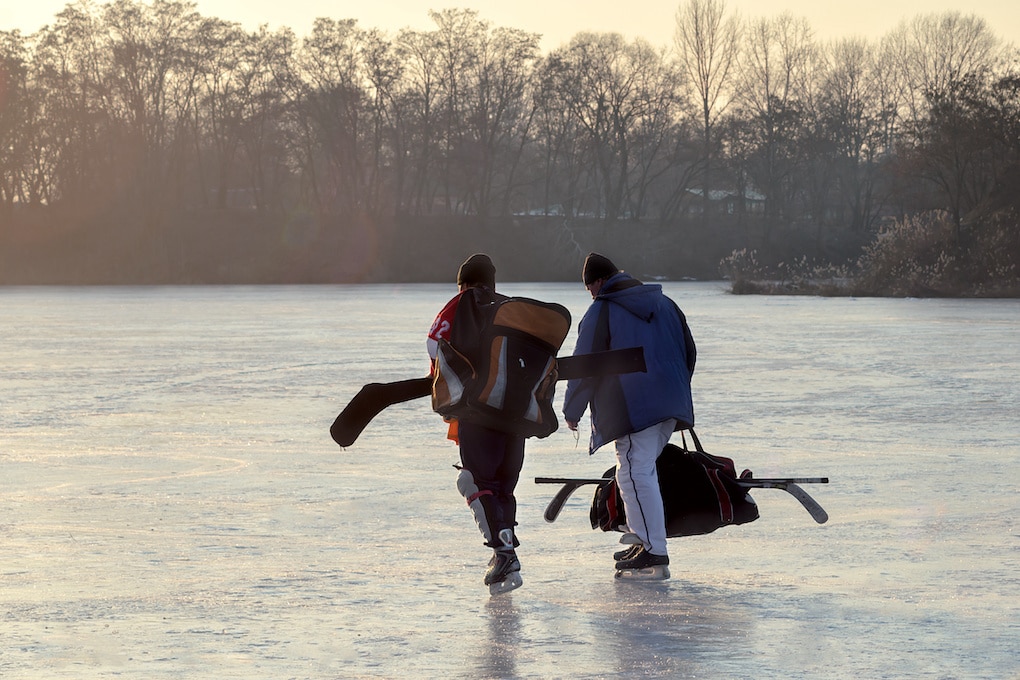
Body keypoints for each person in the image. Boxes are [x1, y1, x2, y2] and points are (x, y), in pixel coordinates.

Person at [562, 253, 697, 578]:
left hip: (636, 406)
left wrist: (572, 410)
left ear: (596, 283)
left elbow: (586, 363)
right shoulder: (666, 304)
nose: (591, 295)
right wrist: (673, 391)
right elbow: (689, 351)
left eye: (590, 289)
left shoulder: (602, 310)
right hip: (670, 405)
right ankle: (643, 540)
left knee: (636, 472)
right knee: (633, 471)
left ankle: (654, 550)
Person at [427, 253, 525, 595]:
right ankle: (506, 547)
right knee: (502, 486)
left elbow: (433, 346)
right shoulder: (511, 308)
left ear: (465, 284)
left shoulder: (460, 304)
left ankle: (503, 555)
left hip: (478, 412)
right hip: (516, 416)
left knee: (473, 481)